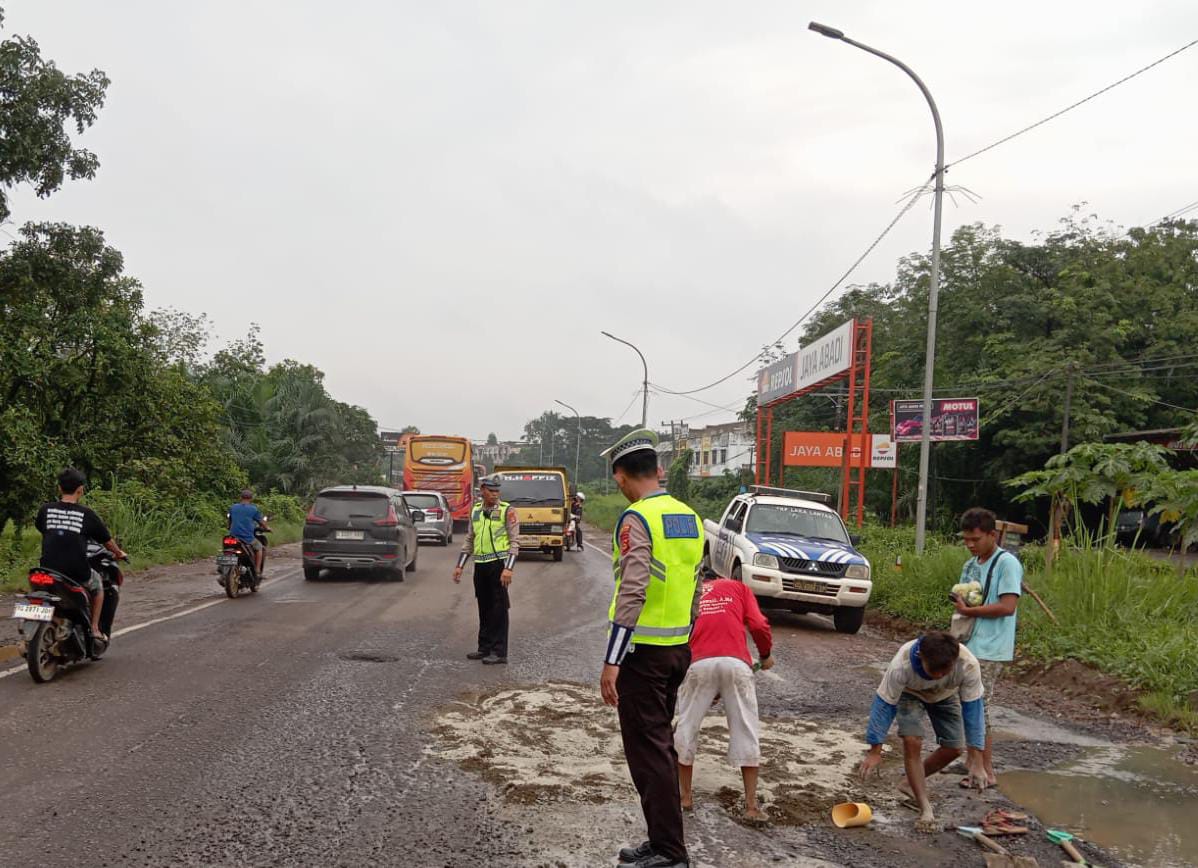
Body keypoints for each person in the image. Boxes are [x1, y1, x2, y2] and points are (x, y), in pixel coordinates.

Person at [600, 428, 703, 868]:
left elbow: (634, 588)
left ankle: (668, 852)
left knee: (649, 754)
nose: (619, 485)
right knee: (659, 747)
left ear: (622, 475)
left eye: (618, 478)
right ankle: (661, 840)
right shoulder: (689, 516)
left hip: (642, 653)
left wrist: (612, 659)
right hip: (677, 649)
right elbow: (699, 584)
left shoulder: (637, 518)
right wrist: (685, 638)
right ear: (657, 470)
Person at [859, 630, 988, 832]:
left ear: (954, 661)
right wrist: (875, 750)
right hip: (910, 695)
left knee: (954, 748)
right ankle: (924, 807)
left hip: (945, 695)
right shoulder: (902, 665)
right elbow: (884, 705)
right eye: (932, 671)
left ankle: (908, 784)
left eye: (944, 672)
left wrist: (977, 760)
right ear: (921, 656)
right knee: (912, 741)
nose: (937, 676)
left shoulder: (968, 664)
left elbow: (973, 711)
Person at [674, 568, 774, 823]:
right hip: (736, 665)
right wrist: (765, 654)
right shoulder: (738, 588)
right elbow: (759, 624)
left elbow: (680, 633)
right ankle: (751, 806)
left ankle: (685, 798)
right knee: (746, 729)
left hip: (698, 664)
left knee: (686, 728)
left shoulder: (690, 592)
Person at [952, 506, 1023, 788]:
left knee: (979, 707)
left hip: (991, 647)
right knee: (967, 704)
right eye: (966, 540)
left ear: (992, 535)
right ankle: (972, 763)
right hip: (969, 642)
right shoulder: (971, 564)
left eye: (976, 540)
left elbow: (1008, 606)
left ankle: (986, 771)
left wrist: (970, 612)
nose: (970, 545)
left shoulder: (1007, 564)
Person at [35, 468, 127, 642]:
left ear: (59, 488)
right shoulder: (86, 514)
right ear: (81, 489)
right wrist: (119, 553)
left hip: (46, 570)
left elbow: (43, 529)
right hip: (75, 573)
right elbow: (107, 541)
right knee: (98, 586)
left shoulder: (45, 510)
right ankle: (94, 629)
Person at [453, 475, 519, 664]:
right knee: (484, 606)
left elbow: (515, 542)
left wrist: (508, 569)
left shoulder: (508, 511)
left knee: (499, 608)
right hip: (480, 565)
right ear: (482, 490)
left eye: (497, 491)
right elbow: (469, 539)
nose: (495, 495)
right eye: (491, 491)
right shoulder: (475, 511)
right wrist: (459, 565)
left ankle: (499, 652)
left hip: (499, 564)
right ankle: (484, 647)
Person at [228, 489, 270, 577]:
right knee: (259, 547)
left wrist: (230, 527)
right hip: (246, 537)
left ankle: (224, 571)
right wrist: (267, 528)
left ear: (240, 497)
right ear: (251, 498)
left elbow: (229, 522)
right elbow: (261, 522)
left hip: (233, 536)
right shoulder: (253, 509)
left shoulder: (233, 507)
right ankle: (257, 570)